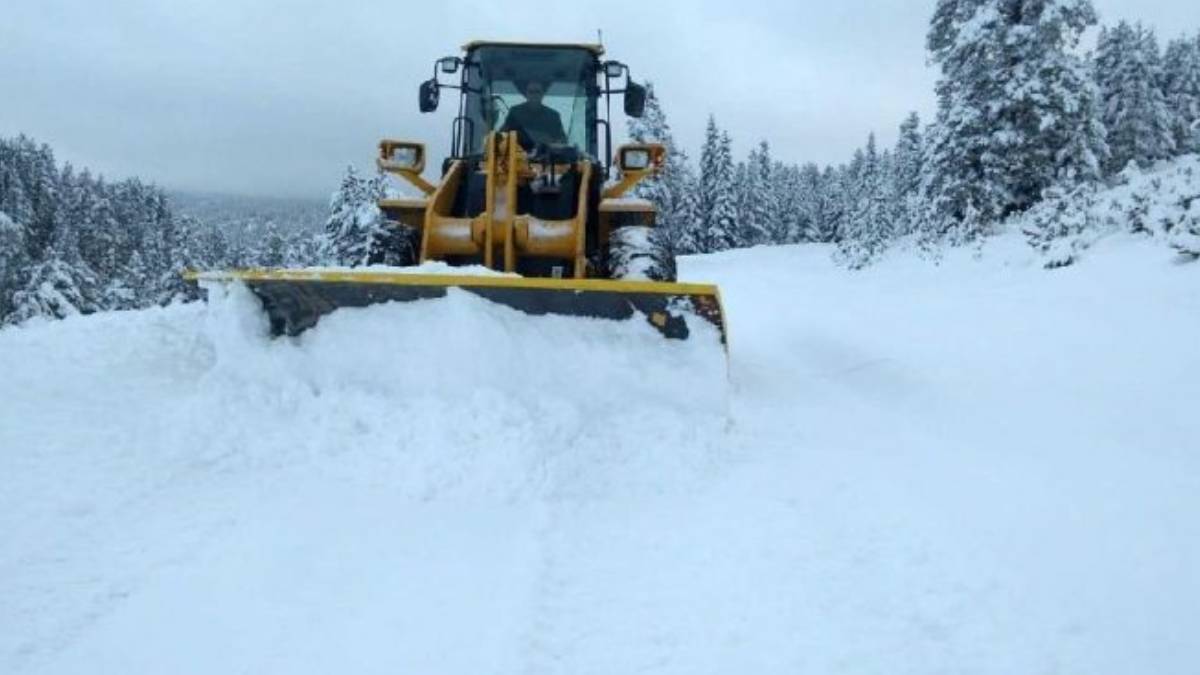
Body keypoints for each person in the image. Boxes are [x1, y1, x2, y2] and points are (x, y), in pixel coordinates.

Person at [500, 80, 567, 150]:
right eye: (531, 92)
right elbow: (502, 135)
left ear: (543, 94)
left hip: (546, 158)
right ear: (526, 94)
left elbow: (562, 141)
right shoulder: (515, 112)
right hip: (517, 157)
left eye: (537, 92)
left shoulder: (553, 116)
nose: (534, 95)